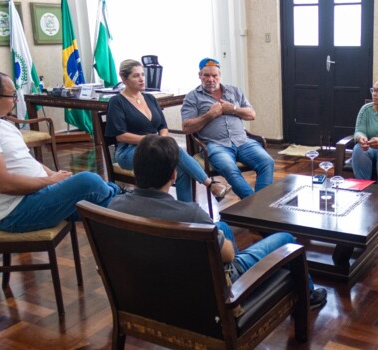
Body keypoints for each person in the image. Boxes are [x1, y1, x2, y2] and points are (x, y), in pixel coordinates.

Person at [108, 134, 328, 309]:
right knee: (285, 238)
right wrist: (228, 251)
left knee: (220, 226)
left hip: (150, 290)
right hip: (210, 291)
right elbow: (229, 255)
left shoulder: (115, 207)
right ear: (174, 175)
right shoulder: (190, 215)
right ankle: (308, 298)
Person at [0, 70, 120, 232]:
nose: (16, 99)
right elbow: (3, 184)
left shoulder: (3, 124)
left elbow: (28, 161)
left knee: (99, 206)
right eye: (12, 95)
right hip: (14, 213)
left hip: (36, 195)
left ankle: (124, 202)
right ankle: (120, 195)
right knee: (88, 181)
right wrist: (52, 181)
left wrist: (55, 178)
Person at [105, 59, 230, 202]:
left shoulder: (150, 98)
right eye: (136, 76)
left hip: (155, 147)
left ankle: (186, 211)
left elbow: (163, 126)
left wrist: (161, 141)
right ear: (123, 78)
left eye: (142, 75)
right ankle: (210, 184)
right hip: (129, 152)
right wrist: (155, 141)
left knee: (181, 166)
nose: (141, 79)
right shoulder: (117, 101)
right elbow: (121, 136)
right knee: (175, 150)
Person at [181, 57, 275, 199]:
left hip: (243, 141)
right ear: (200, 76)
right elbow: (187, 128)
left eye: (214, 75)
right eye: (206, 75)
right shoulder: (192, 97)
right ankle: (253, 205)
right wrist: (210, 114)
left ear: (220, 75)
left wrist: (233, 109)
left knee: (267, 162)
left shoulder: (234, 91)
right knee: (229, 169)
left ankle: (261, 204)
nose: (211, 79)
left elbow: (251, 114)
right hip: (216, 145)